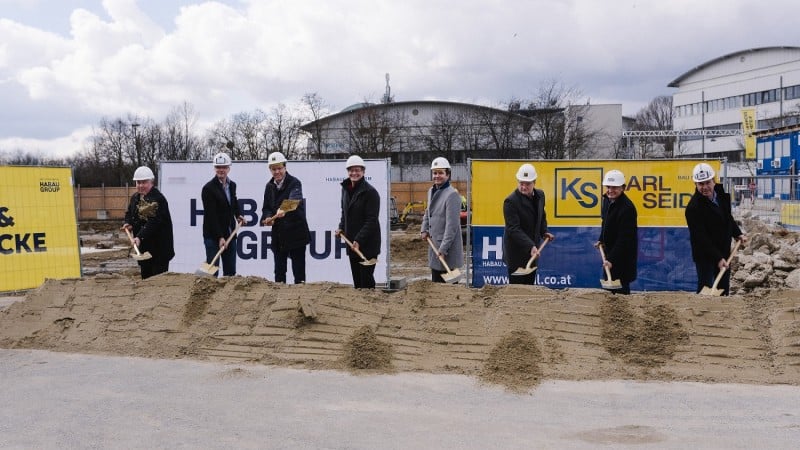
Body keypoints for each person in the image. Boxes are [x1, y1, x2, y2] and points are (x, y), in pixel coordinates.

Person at [685, 163, 747, 296]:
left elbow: (727, 218)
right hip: (705, 254)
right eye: (700, 184)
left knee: (723, 287)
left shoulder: (721, 195)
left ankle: (722, 312)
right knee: (705, 287)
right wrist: (718, 258)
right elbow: (700, 237)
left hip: (723, 249)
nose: (705, 187)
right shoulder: (693, 208)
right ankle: (702, 313)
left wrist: (738, 234)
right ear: (695, 184)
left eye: (707, 182)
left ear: (714, 181)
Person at [260, 152, 310, 284]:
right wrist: (267, 217)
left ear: (285, 167)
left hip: (296, 234)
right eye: (273, 169)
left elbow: (295, 199)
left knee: (299, 275)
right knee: (279, 273)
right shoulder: (269, 186)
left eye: (279, 168)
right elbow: (266, 208)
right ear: (270, 169)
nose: (277, 172)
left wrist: (284, 209)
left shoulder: (295, 183)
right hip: (279, 236)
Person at [502, 163, 555, 284]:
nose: (524, 187)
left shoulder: (540, 195)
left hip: (532, 251)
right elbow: (513, 229)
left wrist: (544, 231)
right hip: (516, 253)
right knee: (517, 290)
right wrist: (530, 246)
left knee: (530, 286)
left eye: (527, 184)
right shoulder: (510, 202)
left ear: (534, 182)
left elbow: (541, 215)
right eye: (521, 183)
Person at [336, 155, 381, 289]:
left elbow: (371, 220)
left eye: (357, 170)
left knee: (366, 283)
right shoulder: (345, 190)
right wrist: (341, 228)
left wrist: (359, 240)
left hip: (367, 245)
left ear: (363, 172)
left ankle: (371, 307)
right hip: (352, 245)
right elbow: (344, 213)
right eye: (351, 170)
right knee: (357, 283)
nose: (354, 173)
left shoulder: (370, 192)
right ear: (347, 171)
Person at [122, 166, 175, 280]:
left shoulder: (157, 199)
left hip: (159, 250)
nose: (141, 185)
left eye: (144, 182)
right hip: (145, 249)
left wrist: (139, 237)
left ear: (151, 182)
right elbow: (130, 213)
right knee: (145, 281)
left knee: (158, 283)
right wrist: (128, 223)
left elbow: (154, 222)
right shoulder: (135, 198)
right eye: (138, 182)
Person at [420, 157, 464, 282]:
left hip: (446, 249)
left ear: (448, 174)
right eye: (435, 173)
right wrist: (424, 228)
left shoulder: (452, 195)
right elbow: (428, 212)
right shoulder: (431, 191)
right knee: (436, 286)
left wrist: (444, 248)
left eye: (440, 173)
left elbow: (452, 226)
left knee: (448, 290)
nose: (437, 176)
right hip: (434, 245)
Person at [594, 169, 638, 294]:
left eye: (614, 187)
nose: (610, 190)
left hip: (621, 258)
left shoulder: (627, 208)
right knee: (608, 294)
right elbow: (605, 223)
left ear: (623, 188)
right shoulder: (607, 201)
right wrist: (601, 239)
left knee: (621, 293)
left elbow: (625, 239)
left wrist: (611, 259)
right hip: (609, 255)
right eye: (608, 187)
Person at [201, 152, 244, 277]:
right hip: (213, 236)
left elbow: (233, 202)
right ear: (215, 168)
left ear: (228, 168)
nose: (221, 170)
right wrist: (220, 237)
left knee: (230, 272)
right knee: (212, 272)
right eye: (218, 167)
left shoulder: (232, 185)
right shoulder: (208, 189)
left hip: (230, 234)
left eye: (224, 167)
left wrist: (238, 215)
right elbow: (211, 216)